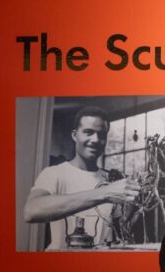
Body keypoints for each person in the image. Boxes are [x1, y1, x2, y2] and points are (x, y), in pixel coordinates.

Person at [23, 106, 140, 250]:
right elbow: (31, 211)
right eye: (88, 132)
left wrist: (136, 209)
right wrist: (105, 193)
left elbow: (121, 229)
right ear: (74, 135)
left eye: (102, 135)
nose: (95, 140)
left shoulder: (111, 179)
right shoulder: (54, 173)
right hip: (61, 268)